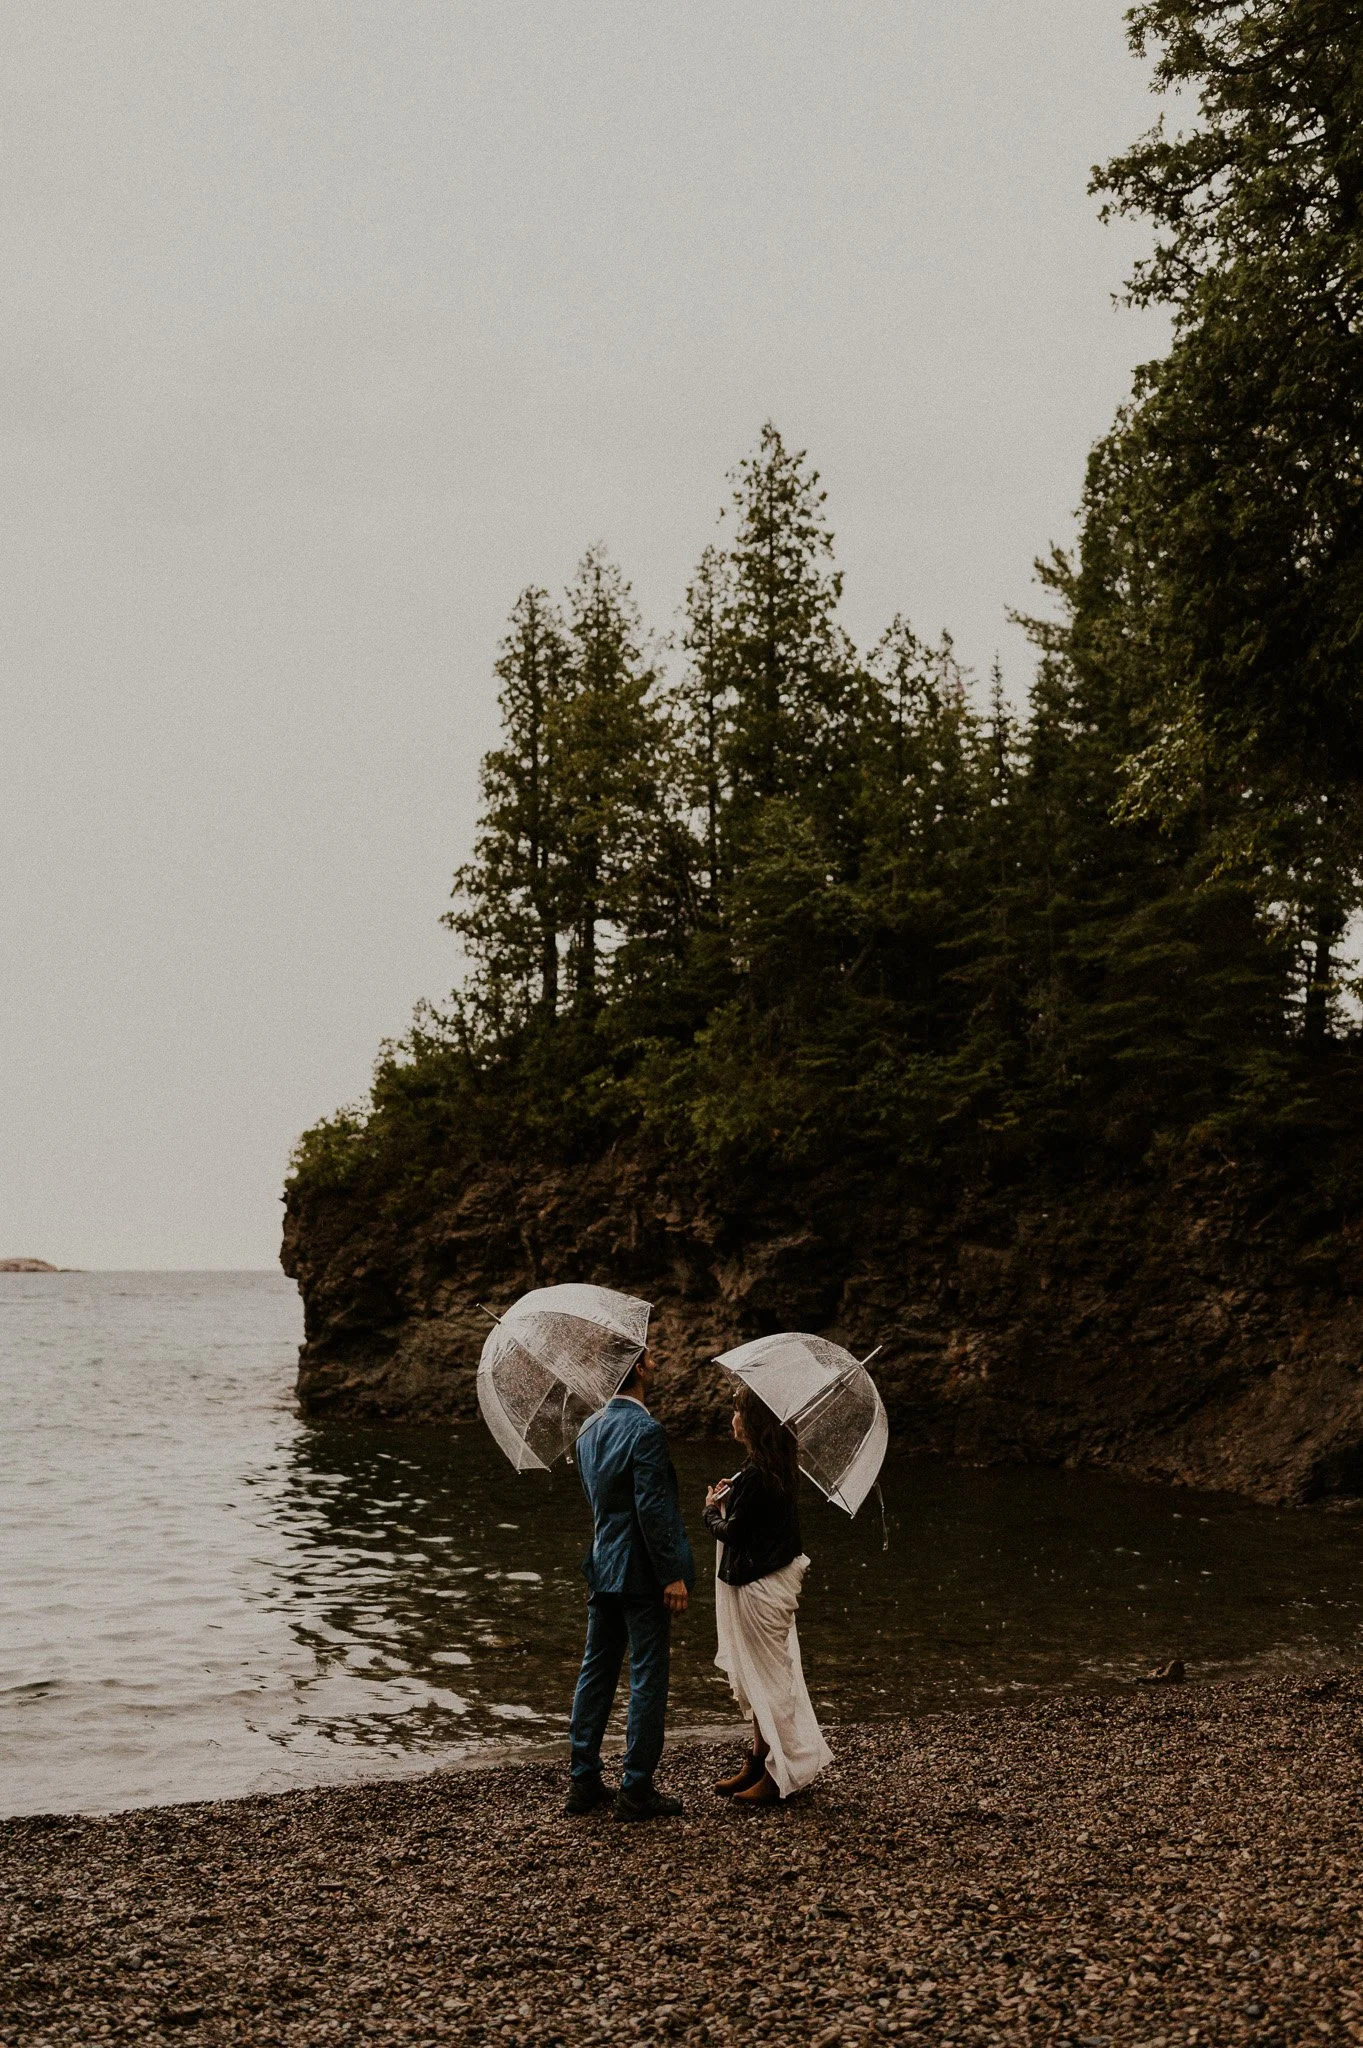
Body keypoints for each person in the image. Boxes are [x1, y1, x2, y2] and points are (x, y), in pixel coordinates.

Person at [566, 1347, 695, 1821]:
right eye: (651, 1358)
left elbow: (598, 1505)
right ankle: (636, 1790)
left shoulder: (588, 1429)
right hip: (641, 1574)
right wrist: (672, 1574)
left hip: (601, 1565)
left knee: (595, 1672)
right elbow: (652, 1509)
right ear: (638, 1369)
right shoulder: (646, 1430)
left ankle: (583, 1782)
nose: (657, 1364)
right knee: (646, 1679)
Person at [704, 1384, 833, 1804]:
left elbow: (735, 1533)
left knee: (770, 1679)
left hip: (761, 1588)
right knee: (762, 1674)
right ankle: (760, 1757)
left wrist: (710, 1510)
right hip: (766, 1582)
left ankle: (783, 1772)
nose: (733, 1416)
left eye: (738, 1410)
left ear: (753, 1422)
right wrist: (733, 1495)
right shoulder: (766, 1467)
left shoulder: (759, 1474)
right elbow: (755, 1520)